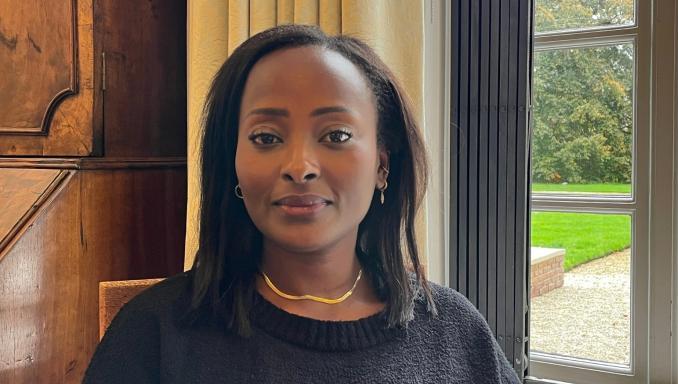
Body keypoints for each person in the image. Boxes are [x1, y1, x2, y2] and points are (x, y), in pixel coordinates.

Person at [83, 24, 521, 384]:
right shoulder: (153, 335)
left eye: (336, 136)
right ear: (232, 163)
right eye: (266, 138)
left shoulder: (455, 332)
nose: (299, 166)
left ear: (382, 166)